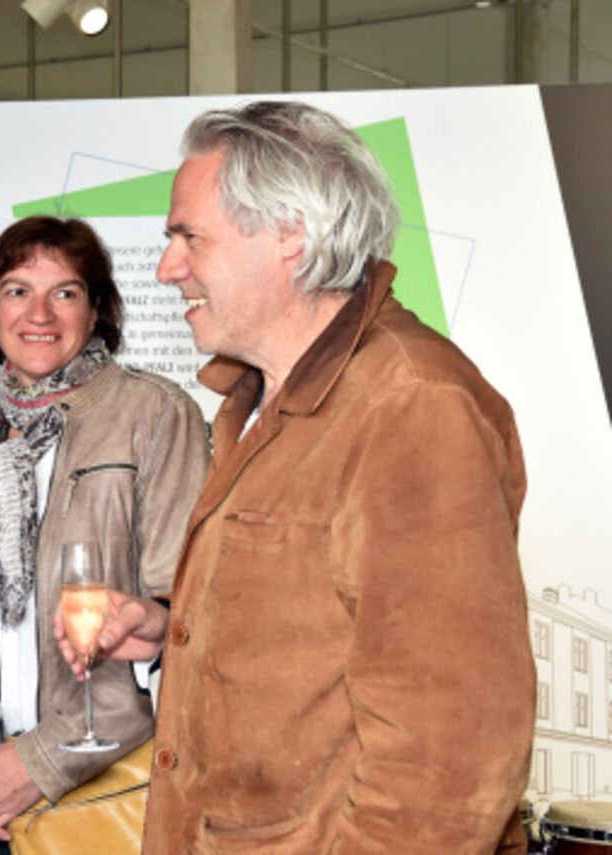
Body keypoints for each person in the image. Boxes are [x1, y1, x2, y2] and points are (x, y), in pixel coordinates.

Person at [60, 101, 536, 853]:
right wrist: (169, 630)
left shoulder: (413, 408)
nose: (166, 266)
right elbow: (303, 634)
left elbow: (445, 768)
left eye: (189, 237)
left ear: (291, 234)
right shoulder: (254, 401)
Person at [0, 216, 209, 853]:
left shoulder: (155, 416)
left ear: (96, 311)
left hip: (105, 792)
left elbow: (189, 622)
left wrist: (40, 761)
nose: (38, 313)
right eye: (15, 290)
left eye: (64, 292)